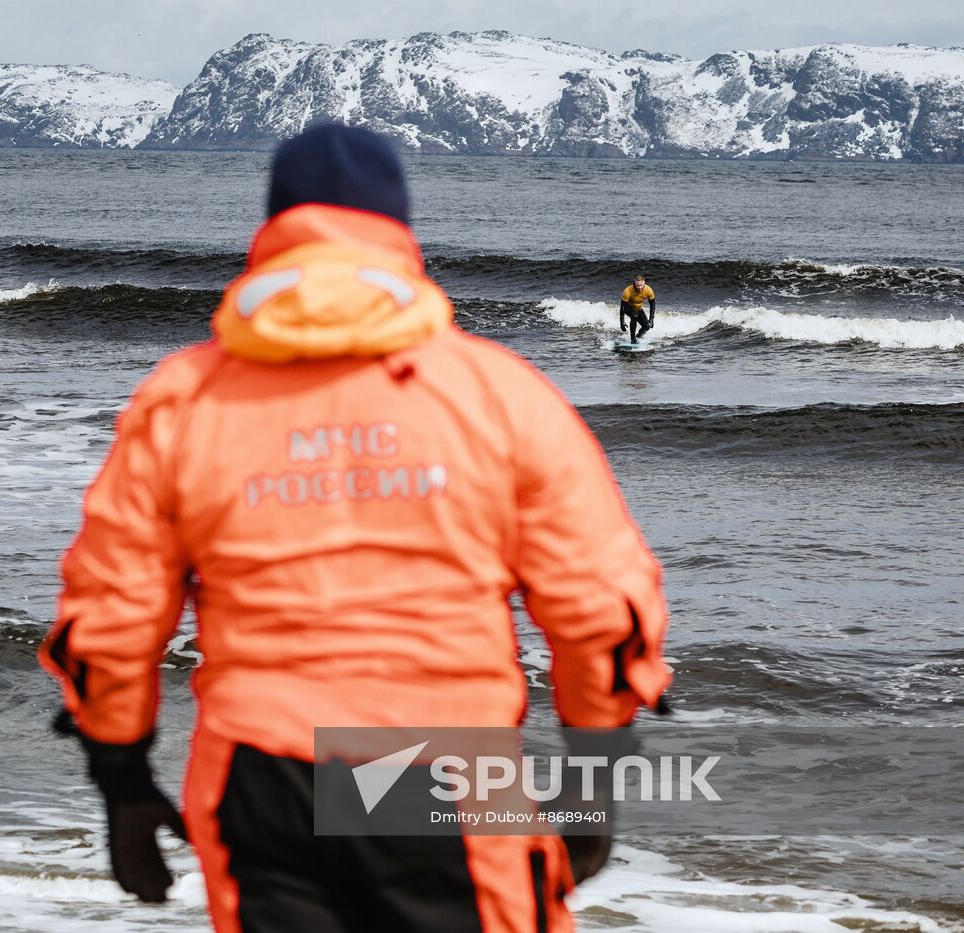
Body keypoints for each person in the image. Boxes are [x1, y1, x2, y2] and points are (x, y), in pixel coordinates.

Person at [40, 124, 671, 932]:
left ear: (271, 233)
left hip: (256, 771)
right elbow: (601, 608)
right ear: (400, 233)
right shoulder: (498, 393)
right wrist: (592, 780)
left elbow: (109, 617)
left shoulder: (185, 399)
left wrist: (122, 781)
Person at [619, 275, 656, 341]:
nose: (639, 287)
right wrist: (622, 321)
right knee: (634, 315)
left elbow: (652, 304)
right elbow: (622, 306)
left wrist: (651, 318)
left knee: (647, 326)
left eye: (641, 285)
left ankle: (639, 336)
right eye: (638, 285)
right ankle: (633, 339)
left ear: (644, 284)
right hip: (628, 307)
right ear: (635, 284)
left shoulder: (648, 290)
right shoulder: (628, 290)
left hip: (638, 309)